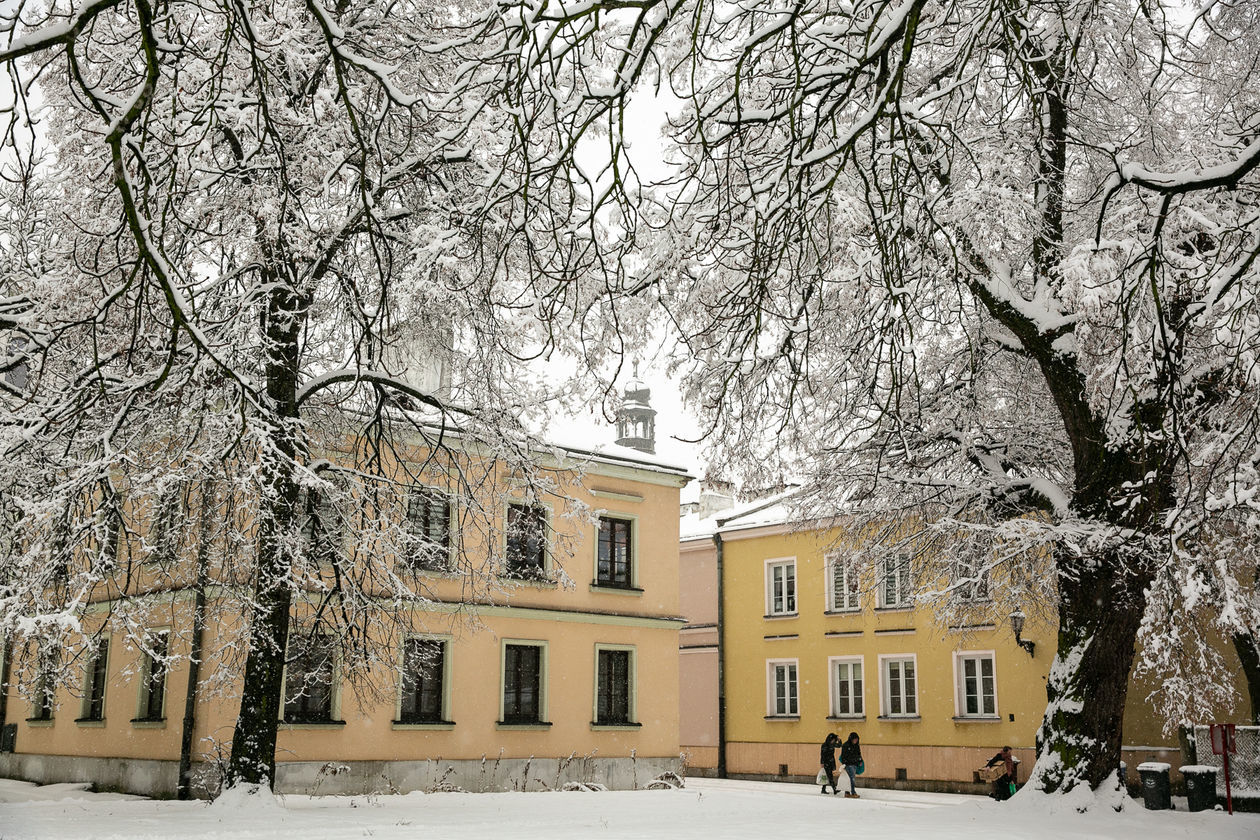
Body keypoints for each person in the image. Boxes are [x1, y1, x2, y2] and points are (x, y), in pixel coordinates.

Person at [839, 732, 863, 798]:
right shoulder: (846, 745)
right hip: (849, 765)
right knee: (851, 779)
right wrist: (846, 763)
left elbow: (859, 754)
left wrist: (860, 761)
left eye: (857, 739)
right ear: (851, 739)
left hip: (854, 764)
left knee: (849, 779)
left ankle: (847, 793)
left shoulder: (856, 746)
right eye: (854, 739)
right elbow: (843, 756)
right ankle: (853, 792)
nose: (856, 741)